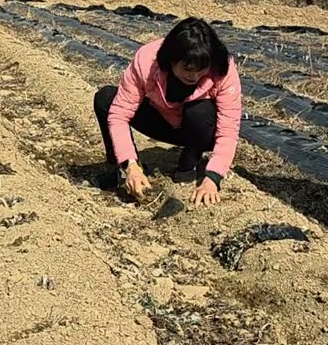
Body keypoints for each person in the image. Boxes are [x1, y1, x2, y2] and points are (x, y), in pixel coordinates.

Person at [93, 17, 243, 207]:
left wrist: (213, 179)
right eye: (187, 69)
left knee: (200, 110)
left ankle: (188, 164)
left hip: (200, 130)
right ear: (171, 60)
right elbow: (119, 114)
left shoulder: (222, 69)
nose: (195, 76)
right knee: (106, 98)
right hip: (162, 120)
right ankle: (122, 170)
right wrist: (130, 165)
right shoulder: (147, 61)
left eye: (201, 69)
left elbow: (228, 130)